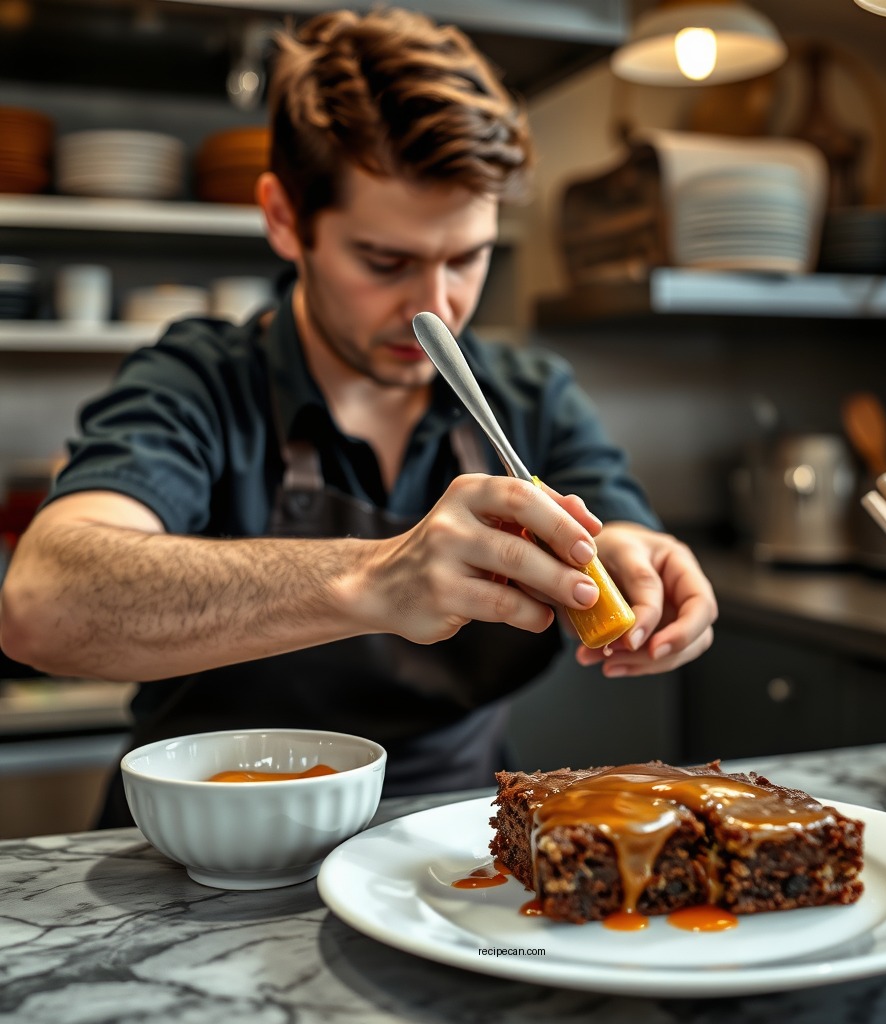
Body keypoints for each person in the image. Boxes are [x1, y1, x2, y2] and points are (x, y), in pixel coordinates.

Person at [0, 6, 717, 824]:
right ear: (283, 218)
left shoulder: (529, 395)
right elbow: (42, 603)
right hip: (207, 855)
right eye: (385, 260)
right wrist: (371, 577)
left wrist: (637, 561)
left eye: (468, 257)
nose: (436, 305)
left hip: (450, 850)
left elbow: (620, 529)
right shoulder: (198, 381)